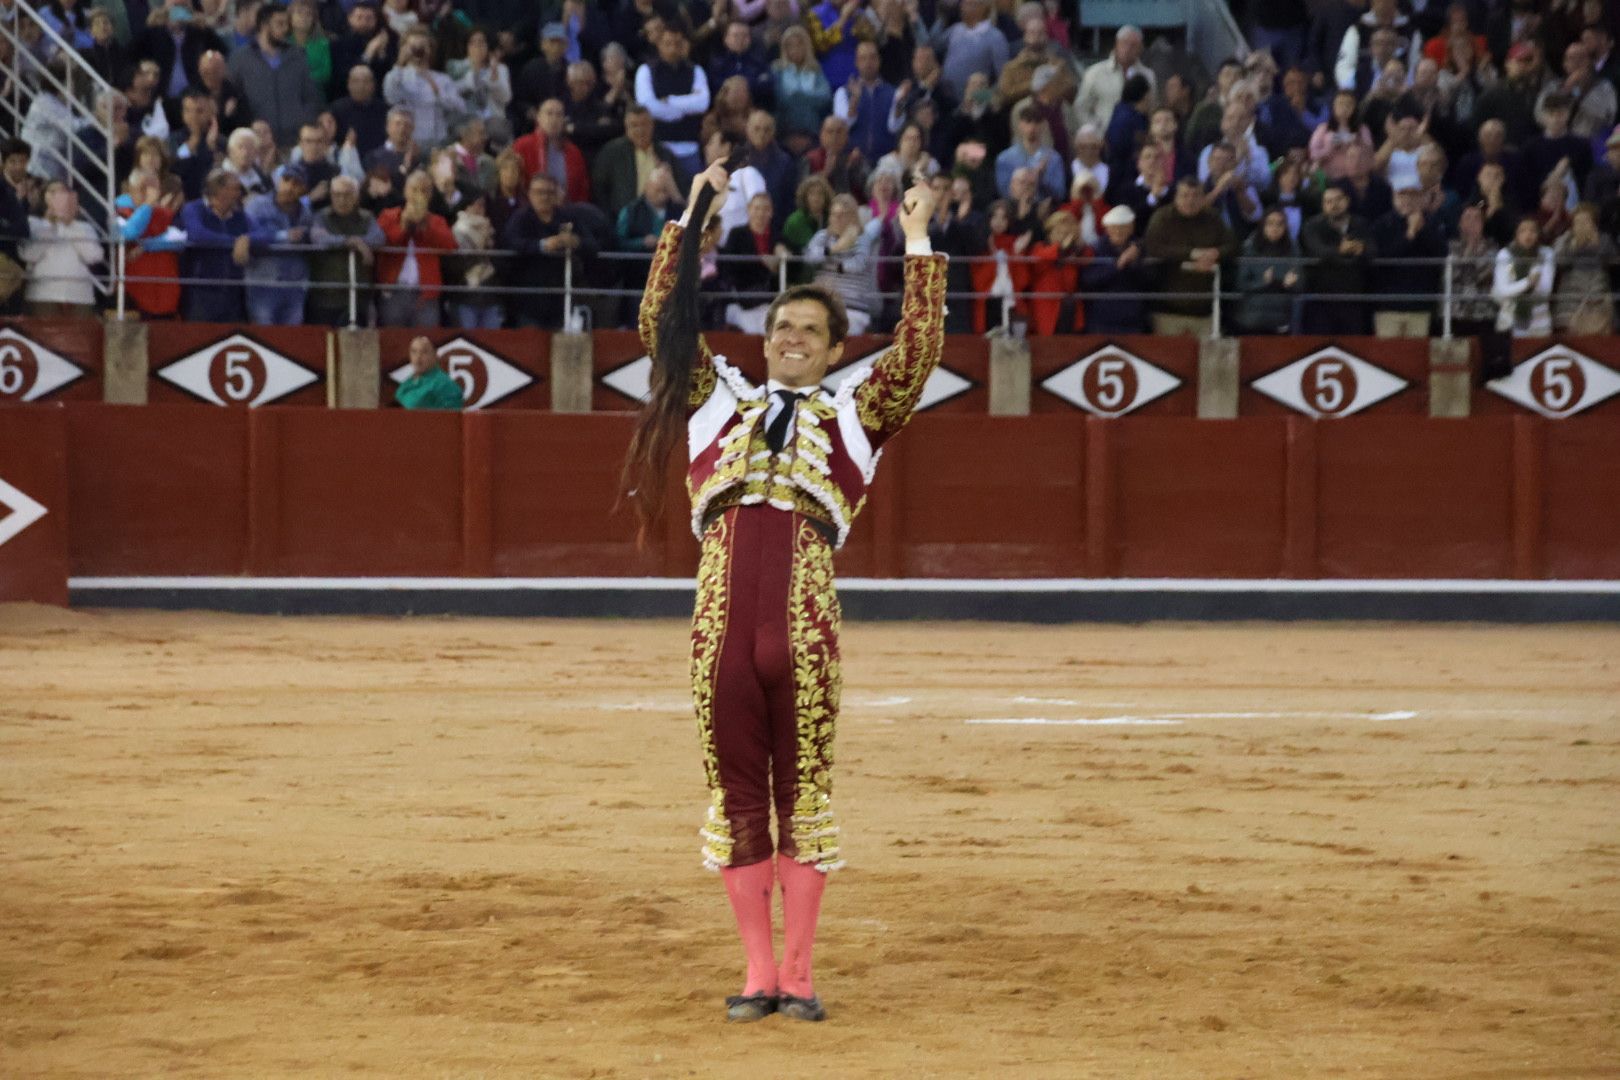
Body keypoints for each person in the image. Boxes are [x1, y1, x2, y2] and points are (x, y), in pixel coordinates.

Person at [625, 159, 946, 1025]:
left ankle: (801, 976)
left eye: (810, 329)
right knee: (736, 796)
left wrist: (917, 241)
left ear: (836, 348)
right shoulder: (712, 397)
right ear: (764, 338)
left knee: (805, 792)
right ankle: (758, 972)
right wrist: (694, 217)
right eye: (781, 327)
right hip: (720, 612)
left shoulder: (859, 407)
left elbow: (918, 350)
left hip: (805, 612)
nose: (792, 338)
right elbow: (661, 321)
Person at [1142, 176, 1236, 337]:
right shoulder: (1163, 217)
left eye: (1195, 195)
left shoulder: (1213, 218)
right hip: (1168, 311)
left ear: (1203, 197)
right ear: (1176, 197)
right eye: (1185, 195)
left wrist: (1216, 254)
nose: (1190, 201)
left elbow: (1233, 245)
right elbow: (1152, 246)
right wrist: (1192, 255)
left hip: (1205, 310)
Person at [228, 2, 322, 148]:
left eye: (286, 24)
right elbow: (233, 98)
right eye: (280, 24)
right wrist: (249, 123)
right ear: (265, 25)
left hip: (294, 140)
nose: (285, 29)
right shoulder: (240, 59)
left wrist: (303, 121)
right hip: (257, 142)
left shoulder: (298, 55)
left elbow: (311, 95)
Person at [375, 169, 457, 326]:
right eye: (414, 189)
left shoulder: (436, 221)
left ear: (430, 195)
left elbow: (450, 246)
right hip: (394, 291)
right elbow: (382, 243)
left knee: (426, 339)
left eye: (424, 190)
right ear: (405, 191)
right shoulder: (389, 215)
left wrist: (425, 226)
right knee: (392, 340)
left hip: (425, 295)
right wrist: (404, 225)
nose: (419, 194)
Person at [309, 173, 387, 326]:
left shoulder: (366, 217)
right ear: (331, 196)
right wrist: (350, 242)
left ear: (356, 196)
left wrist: (359, 242)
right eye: (337, 195)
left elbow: (379, 238)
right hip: (326, 298)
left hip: (360, 297)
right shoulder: (321, 217)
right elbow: (318, 239)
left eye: (347, 194)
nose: (342, 200)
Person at [1299, 183, 1377, 336]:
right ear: (1323, 205)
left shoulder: (1360, 224)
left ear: (1347, 201)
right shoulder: (1312, 226)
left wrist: (1361, 249)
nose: (1334, 205)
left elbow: (1372, 251)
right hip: (1321, 301)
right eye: (1329, 201)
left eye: (1338, 200)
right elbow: (1318, 252)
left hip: (1353, 300)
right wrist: (1341, 250)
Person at [243, 162, 315, 325]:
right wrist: (283, 236)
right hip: (263, 283)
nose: (289, 187)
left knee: (291, 337)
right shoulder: (257, 205)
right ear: (278, 181)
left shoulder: (305, 212)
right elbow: (249, 235)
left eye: (296, 183)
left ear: (303, 189)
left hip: (295, 285)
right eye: (286, 180)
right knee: (264, 335)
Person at [177, 169, 252, 321]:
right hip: (202, 291)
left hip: (232, 292)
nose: (240, 194)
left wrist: (247, 240)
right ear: (221, 191)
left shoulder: (239, 215)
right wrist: (235, 242)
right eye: (235, 189)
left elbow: (264, 234)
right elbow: (197, 234)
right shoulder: (194, 209)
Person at [20, 181, 103, 317]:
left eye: (63, 192)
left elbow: (93, 257)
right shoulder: (33, 223)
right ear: (44, 197)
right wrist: (51, 227)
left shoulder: (84, 227)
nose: (58, 196)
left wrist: (69, 225)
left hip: (80, 295)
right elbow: (28, 255)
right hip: (43, 295)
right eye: (52, 192)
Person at [1081, 204, 1152, 334]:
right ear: (1107, 229)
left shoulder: (1140, 249)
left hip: (1133, 319)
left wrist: (1133, 263)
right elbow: (1088, 280)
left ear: (1131, 228)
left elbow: (1148, 280)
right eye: (1114, 228)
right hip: (1101, 319)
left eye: (1123, 227)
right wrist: (1117, 266)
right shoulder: (1095, 249)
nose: (1118, 232)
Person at [1235, 206, 1302, 334]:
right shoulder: (1250, 248)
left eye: (1280, 224)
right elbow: (1241, 284)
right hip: (1252, 317)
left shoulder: (1292, 249)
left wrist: (1289, 284)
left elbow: (1301, 284)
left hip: (1282, 318)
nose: (1275, 228)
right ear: (1263, 226)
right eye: (1270, 223)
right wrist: (1263, 282)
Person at [1551, 203, 1614, 335]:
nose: (1582, 225)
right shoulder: (1566, 239)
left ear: (1594, 223)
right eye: (1578, 221)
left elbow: (1611, 263)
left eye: (1586, 221)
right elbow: (1559, 263)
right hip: (1571, 296)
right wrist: (1574, 248)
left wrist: (1597, 246)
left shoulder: (1604, 239)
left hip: (1597, 293)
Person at [1492, 215, 1556, 338]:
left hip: (1540, 321)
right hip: (1509, 320)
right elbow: (1503, 290)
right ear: (1516, 234)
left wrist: (1518, 287)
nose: (1528, 235)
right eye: (1523, 230)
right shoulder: (1505, 255)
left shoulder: (1547, 253)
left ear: (1538, 233)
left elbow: (1545, 290)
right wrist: (1528, 282)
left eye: (1532, 230)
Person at [395, 334, 465, 409]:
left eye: (424, 352)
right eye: (414, 351)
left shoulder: (445, 386)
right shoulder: (408, 383)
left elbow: (452, 418)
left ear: (435, 355)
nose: (418, 357)